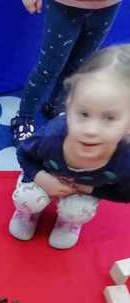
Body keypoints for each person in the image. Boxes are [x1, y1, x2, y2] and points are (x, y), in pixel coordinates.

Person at [9, 44, 130, 249]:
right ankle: (27, 213)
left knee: (76, 210)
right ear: (69, 105)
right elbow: (24, 154)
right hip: (44, 178)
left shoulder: (125, 161)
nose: (90, 130)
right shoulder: (51, 136)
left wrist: (92, 189)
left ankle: (67, 222)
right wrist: (41, 178)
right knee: (27, 198)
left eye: (109, 118)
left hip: (83, 192)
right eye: (83, 113)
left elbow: (126, 194)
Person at [11, 0, 121, 146]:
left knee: (79, 67)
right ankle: (24, 116)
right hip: (64, 6)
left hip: (108, 7)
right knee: (48, 69)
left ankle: (55, 106)